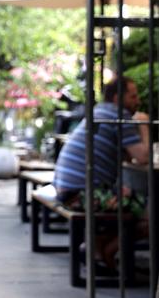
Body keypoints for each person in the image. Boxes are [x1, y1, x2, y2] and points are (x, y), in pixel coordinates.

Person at [53, 76, 149, 269]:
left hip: (67, 188)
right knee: (150, 212)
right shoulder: (119, 116)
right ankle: (107, 248)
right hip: (81, 193)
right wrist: (144, 124)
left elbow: (126, 157)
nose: (137, 101)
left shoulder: (100, 112)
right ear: (117, 98)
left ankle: (98, 245)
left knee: (133, 199)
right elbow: (143, 157)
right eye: (133, 96)